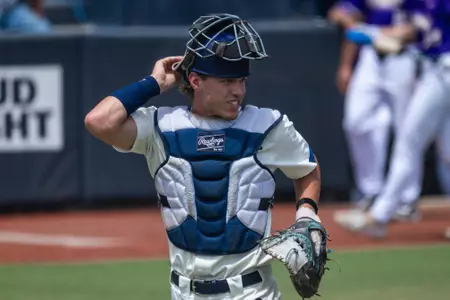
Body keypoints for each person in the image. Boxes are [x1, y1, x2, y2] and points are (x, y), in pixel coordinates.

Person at [85, 13, 328, 299]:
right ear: (196, 80)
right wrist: (155, 83)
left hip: (251, 293)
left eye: (241, 80)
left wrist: (306, 213)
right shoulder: (161, 128)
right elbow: (98, 121)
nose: (238, 91)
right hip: (184, 293)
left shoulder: (267, 126)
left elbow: (306, 168)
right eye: (226, 81)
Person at [334, 0, 450, 238]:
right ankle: (379, 211)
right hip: (431, 69)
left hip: (442, 70)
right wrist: (374, 33)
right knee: (447, 149)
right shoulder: (417, 4)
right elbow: (411, 32)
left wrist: (373, 32)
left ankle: (379, 215)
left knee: (409, 139)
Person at [328, 0, 419, 216]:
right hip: (370, 56)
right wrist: (346, 63)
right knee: (355, 122)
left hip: (405, 55)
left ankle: (407, 198)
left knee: (408, 129)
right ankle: (371, 190)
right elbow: (338, 12)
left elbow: (420, 26)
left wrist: (380, 32)